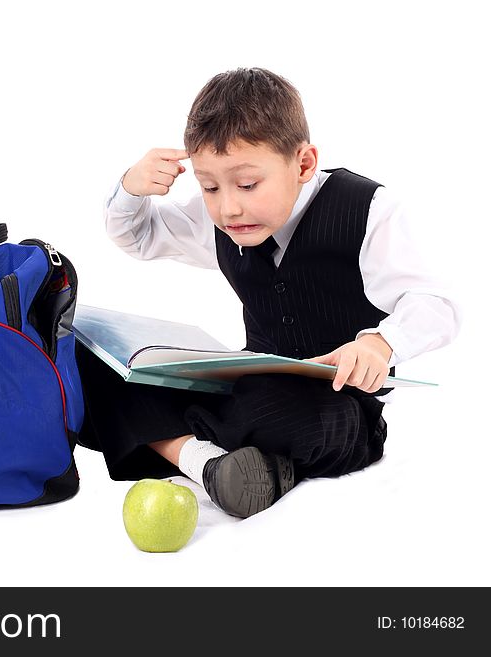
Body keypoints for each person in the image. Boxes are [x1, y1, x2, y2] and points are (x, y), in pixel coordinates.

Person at [77, 67, 461, 518]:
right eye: (209, 186)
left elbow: (436, 304)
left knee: (308, 422)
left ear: (303, 164)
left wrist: (380, 342)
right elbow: (139, 236)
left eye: (246, 184)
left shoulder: (368, 211)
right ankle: (208, 464)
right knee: (92, 363)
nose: (228, 207)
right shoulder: (218, 219)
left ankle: (189, 451)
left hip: (337, 402)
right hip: (250, 386)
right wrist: (131, 188)